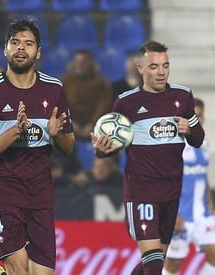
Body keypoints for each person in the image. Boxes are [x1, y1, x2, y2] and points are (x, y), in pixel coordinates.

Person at [0, 18, 75, 275]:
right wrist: (15, 131)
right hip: (1, 190)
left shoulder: (53, 89)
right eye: (15, 42)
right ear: (5, 49)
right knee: (19, 268)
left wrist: (55, 134)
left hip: (40, 191)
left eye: (28, 43)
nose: (20, 48)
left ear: (38, 52)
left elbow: (69, 146)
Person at [91, 40, 205, 274]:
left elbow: (198, 138)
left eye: (165, 66)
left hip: (171, 192)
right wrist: (101, 150)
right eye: (154, 66)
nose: (161, 72)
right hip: (141, 193)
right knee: (153, 264)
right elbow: (111, 147)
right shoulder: (126, 103)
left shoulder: (183, 97)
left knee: (154, 263)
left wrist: (189, 129)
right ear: (140, 68)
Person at [163, 98, 215, 275]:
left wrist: (210, 206)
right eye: (193, 116)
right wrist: (172, 213)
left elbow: (202, 177)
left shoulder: (204, 144)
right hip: (181, 215)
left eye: (199, 116)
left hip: (203, 215)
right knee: (173, 265)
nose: (197, 120)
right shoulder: (174, 144)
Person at [59, 49, 114, 171]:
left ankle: (102, 172)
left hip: (95, 128)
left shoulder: (101, 82)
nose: (80, 65)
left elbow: (103, 105)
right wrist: (71, 123)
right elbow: (59, 105)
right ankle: (68, 174)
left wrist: (92, 123)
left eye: (84, 62)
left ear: (91, 63)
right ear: (73, 63)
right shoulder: (63, 82)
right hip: (69, 127)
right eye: (77, 62)